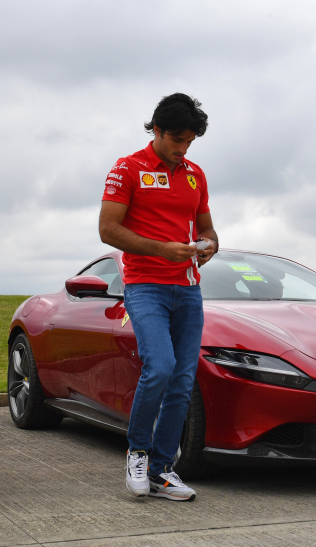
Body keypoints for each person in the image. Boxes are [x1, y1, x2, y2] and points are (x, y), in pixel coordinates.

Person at [98, 93, 218, 501]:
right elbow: (108, 230)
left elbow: (208, 229)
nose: (182, 148)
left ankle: (162, 470)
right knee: (161, 366)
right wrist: (161, 249)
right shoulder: (127, 168)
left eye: (189, 142)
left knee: (183, 380)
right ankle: (137, 451)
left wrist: (208, 245)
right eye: (177, 140)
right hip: (145, 284)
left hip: (188, 287)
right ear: (156, 129)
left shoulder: (195, 174)